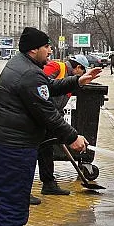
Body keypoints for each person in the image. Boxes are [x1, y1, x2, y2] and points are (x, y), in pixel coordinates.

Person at [0, 26, 101, 226]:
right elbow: (48, 112)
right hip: (14, 148)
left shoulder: (25, 68)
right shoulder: (28, 74)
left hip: (9, 144)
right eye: (46, 46)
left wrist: (77, 80)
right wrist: (73, 138)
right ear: (33, 49)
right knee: (14, 203)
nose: (50, 50)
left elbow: (47, 87)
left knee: (9, 201)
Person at [35, 53, 90, 197]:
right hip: (42, 116)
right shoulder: (56, 67)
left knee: (46, 149)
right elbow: (39, 86)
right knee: (32, 151)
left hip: (50, 116)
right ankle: (24, 189)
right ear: (78, 67)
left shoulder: (70, 78)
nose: (81, 76)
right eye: (82, 72)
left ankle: (49, 184)